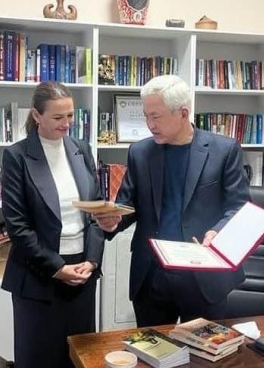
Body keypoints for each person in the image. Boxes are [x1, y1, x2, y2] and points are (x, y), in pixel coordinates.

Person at [94, 75, 250, 327]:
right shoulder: (140, 152)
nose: (149, 125)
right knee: (152, 348)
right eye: (146, 116)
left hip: (204, 276)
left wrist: (218, 233)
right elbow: (128, 205)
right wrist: (112, 222)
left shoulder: (224, 150)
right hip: (152, 276)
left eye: (156, 117)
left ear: (183, 113)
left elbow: (239, 207)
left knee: (203, 350)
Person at [1, 81, 105, 368]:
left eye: (71, 115)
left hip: (82, 275)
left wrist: (92, 260)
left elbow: (95, 212)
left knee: (77, 365)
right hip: (38, 278)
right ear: (37, 115)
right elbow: (18, 227)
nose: (67, 123)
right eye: (58, 117)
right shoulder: (17, 156)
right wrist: (57, 268)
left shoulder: (81, 149)